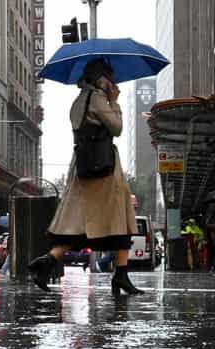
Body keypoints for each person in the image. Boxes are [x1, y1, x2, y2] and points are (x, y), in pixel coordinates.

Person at [28, 58, 143, 295]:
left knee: (80, 226)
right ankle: (120, 275)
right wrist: (114, 101)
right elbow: (117, 128)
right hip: (104, 169)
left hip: (83, 165)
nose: (113, 82)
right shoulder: (99, 99)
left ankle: (47, 261)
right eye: (110, 77)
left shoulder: (78, 100)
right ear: (101, 78)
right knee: (117, 220)